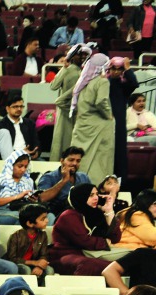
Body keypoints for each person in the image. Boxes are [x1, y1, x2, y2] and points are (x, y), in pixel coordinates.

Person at [49, 183, 120, 276]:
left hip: (86, 254)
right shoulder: (68, 215)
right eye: (91, 195)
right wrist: (106, 242)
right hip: (63, 256)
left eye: (96, 194)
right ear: (81, 197)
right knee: (89, 265)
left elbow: (115, 238)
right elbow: (84, 241)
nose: (96, 198)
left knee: (119, 265)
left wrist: (109, 211)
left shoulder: (96, 213)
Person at [69, 53, 114, 183]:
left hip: (82, 125)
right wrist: (109, 115)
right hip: (99, 127)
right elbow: (101, 101)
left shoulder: (83, 82)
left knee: (80, 159)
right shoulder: (102, 81)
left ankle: (78, 186)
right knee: (100, 161)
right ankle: (96, 189)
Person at [50, 45, 92, 159]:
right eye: (80, 54)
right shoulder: (69, 70)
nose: (83, 57)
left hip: (76, 111)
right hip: (65, 110)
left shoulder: (83, 72)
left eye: (85, 55)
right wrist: (64, 68)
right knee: (63, 140)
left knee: (70, 141)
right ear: (72, 56)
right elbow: (53, 86)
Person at [36, 147, 92, 220]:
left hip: (82, 213)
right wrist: (64, 180)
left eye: (78, 161)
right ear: (62, 161)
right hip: (57, 214)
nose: (75, 163)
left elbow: (93, 196)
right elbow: (42, 198)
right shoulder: (49, 177)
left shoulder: (84, 177)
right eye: (71, 160)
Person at [4, 203, 54, 277]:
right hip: (19, 264)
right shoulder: (16, 236)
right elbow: (12, 258)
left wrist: (39, 266)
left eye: (46, 218)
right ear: (30, 223)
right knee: (26, 270)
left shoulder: (42, 235)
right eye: (43, 219)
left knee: (49, 270)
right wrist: (34, 263)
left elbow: (44, 254)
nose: (47, 221)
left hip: (35, 263)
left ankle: (42, 288)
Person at [0, 94, 38, 161]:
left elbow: (36, 141)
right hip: (9, 158)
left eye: (21, 106)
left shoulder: (29, 123)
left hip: (28, 156)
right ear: (7, 109)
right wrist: (19, 153)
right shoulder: (0, 125)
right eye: (15, 107)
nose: (19, 109)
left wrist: (36, 152)